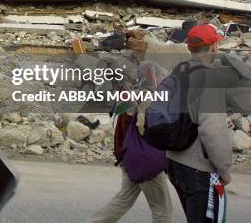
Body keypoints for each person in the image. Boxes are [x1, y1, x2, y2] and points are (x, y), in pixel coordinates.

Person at [166, 24, 251, 222]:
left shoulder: (177, 74)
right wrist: (224, 170)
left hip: (174, 162)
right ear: (214, 47)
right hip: (200, 169)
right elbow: (212, 131)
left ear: (189, 48)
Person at [90, 61, 172, 223]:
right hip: (146, 160)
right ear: (152, 76)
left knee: (123, 200)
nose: (163, 79)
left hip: (129, 156)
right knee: (163, 210)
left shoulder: (131, 96)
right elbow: (149, 129)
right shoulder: (149, 98)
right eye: (161, 75)